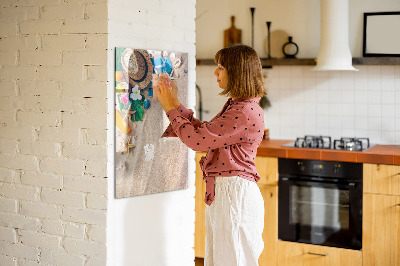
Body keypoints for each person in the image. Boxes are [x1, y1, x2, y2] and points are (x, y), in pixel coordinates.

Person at [154, 44, 266, 266]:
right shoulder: (239, 106)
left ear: (237, 72)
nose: (215, 72)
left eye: (221, 67)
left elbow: (197, 141)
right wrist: (175, 104)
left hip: (234, 195)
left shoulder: (243, 111)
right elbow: (205, 133)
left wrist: (169, 108)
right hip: (229, 193)